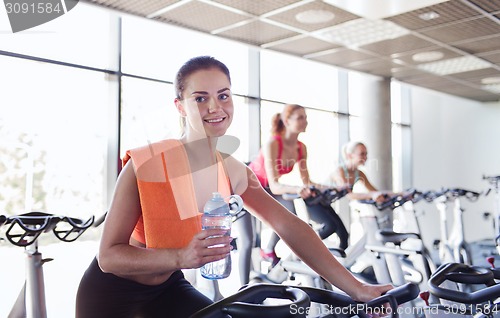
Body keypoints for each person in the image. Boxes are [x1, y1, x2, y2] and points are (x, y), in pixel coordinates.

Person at [75, 56, 392, 318]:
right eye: (200, 98)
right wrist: (180, 257)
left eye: (223, 95)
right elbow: (109, 256)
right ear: (180, 106)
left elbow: (288, 225)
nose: (215, 107)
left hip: (166, 288)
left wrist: (357, 289)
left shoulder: (230, 168)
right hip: (111, 295)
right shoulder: (146, 164)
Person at [248, 104, 349, 267]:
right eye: (300, 118)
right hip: (251, 187)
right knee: (249, 238)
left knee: (290, 219)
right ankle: (257, 265)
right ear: (287, 121)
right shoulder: (273, 143)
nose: (305, 121)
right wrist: (297, 189)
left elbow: (307, 182)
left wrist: (332, 188)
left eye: (306, 117)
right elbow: (274, 185)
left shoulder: (301, 148)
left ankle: (268, 250)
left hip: (271, 187)